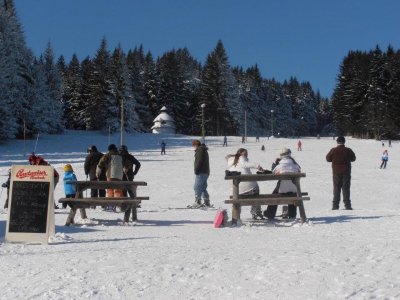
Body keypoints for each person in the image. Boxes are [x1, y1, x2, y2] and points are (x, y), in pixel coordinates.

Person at [226, 148, 264, 220]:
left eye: (247, 154)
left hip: (236, 192)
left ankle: (237, 214)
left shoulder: (231, 163)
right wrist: (257, 166)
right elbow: (245, 164)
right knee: (256, 188)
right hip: (249, 190)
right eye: (245, 154)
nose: (246, 156)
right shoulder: (242, 160)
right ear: (240, 154)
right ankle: (256, 210)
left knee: (237, 196)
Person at [263, 148, 301, 220]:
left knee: (274, 194)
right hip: (295, 188)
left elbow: (273, 172)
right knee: (292, 194)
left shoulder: (279, 165)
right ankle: (292, 214)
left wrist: (275, 163)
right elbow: (299, 170)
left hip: (282, 189)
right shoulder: (295, 165)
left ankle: (270, 212)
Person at [326, 136, 356, 210]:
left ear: (337, 142)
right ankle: (347, 205)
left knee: (336, 188)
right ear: (344, 142)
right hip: (346, 172)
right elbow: (353, 158)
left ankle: (335, 206)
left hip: (336, 172)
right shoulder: (348, 150)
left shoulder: (333, 150)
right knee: (346, 188)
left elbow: (327, 159)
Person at [191, 140, 211, 207]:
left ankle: (198, 201)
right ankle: (206, 201)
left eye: (193, 145)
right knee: (202, 187)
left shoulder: (200, 150)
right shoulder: (203, 150)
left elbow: (199, 161)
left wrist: (196, 169)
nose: (193, 147)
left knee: (197, 187)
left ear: (195, 145)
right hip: (205, 171)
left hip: (201, 171)